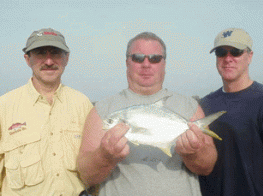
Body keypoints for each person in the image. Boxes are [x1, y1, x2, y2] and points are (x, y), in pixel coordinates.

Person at [77, 32, 218, 196]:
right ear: (127, 62)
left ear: (164, 64)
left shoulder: (189, 106)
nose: (146, 64)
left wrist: (194, 152)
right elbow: (86, 176)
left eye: (154, 58)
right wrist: (105, 156)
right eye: (137, 57)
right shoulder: (102, 110)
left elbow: (208, 167)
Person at [0, 28, 93, 196]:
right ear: (27, 59)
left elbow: (95, 169)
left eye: (56, 53)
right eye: (40, 53)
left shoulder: (83, 104)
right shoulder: (1, 108)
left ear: (67, 58)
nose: (49, 61)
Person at [199, 28, 263, 196]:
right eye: (221, 52)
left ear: (250, 56)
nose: (228, 59)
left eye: (236, 52)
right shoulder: (204, 105)